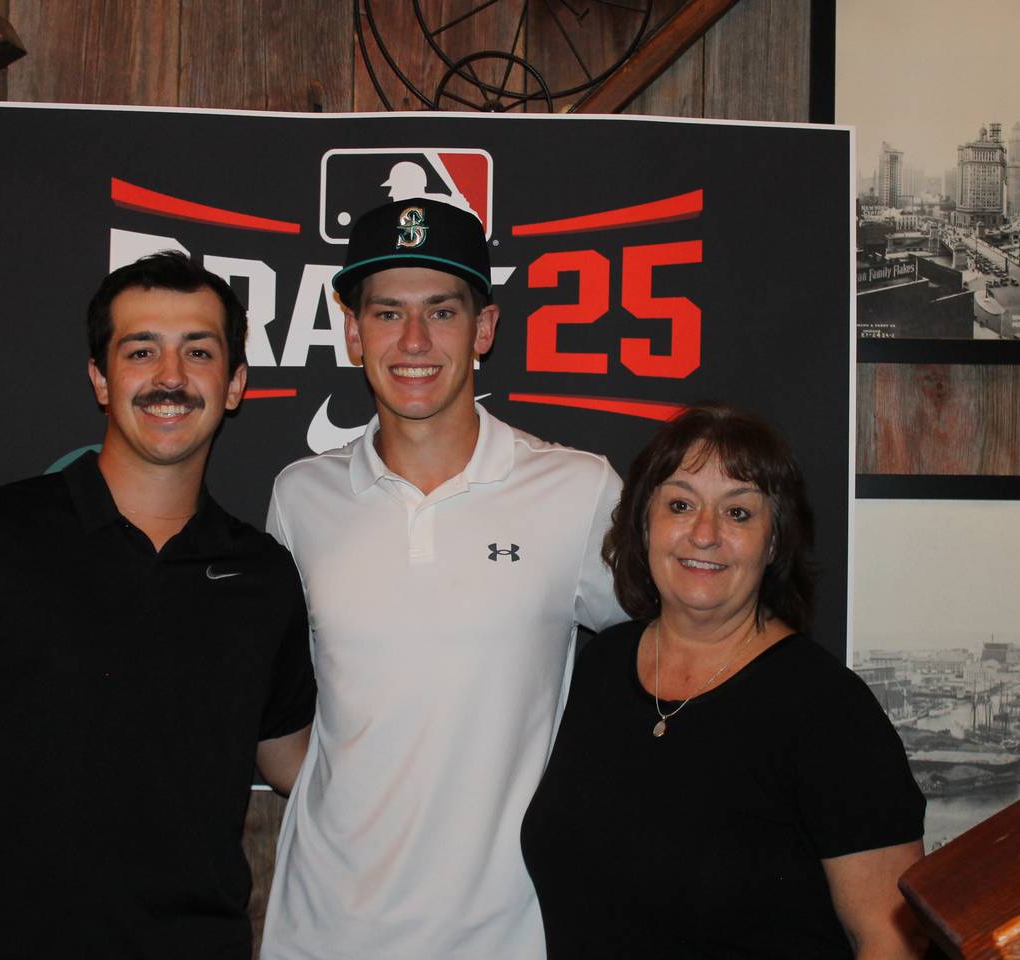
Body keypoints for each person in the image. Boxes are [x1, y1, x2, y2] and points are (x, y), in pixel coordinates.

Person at [0, 252, 316, 959]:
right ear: (101, 378)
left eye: (199, 351)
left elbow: (293, 761)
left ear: (235, 384)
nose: (170, 378)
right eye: (140, 351)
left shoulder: (264, 573)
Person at [260, 199, 626, 959]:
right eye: (388, 313)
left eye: (442, 311)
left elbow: (681, 657)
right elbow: (278, 705)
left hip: (506, 936)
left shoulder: (578, 489)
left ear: (484, 328)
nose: (415, 341)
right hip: (322, 931)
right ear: (353, 331)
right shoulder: (301, 497)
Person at [522, 403, 927, 959]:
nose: (705, 534)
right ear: (644, 524)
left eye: (739, 514)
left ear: (776, 541)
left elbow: (891, 939)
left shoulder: (828, 712)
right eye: (681, 505)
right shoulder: (602, 667)